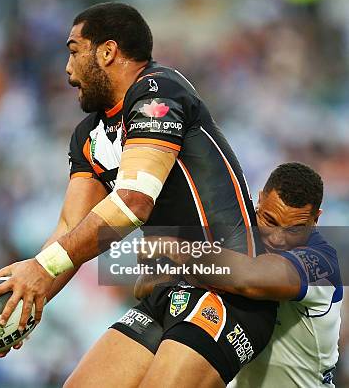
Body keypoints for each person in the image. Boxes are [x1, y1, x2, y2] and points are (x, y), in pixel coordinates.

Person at [0, 2, 276, 387]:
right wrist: (25, 305)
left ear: (107, 52)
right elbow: (73, 227)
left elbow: (135, 202)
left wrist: (42, 269)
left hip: (228, 289)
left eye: (74, 51)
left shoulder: (159, 91)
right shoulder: (87, 136)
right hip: (166, 292)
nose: (68, 71)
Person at [135, 162, 342, 387]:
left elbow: (249, 280)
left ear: (316, 220)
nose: (277, 240)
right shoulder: (236, 235)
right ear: (260, 199)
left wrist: (176, 249)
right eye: (269, 221)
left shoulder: (321, 263)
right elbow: (144, 287)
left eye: (295, 229)